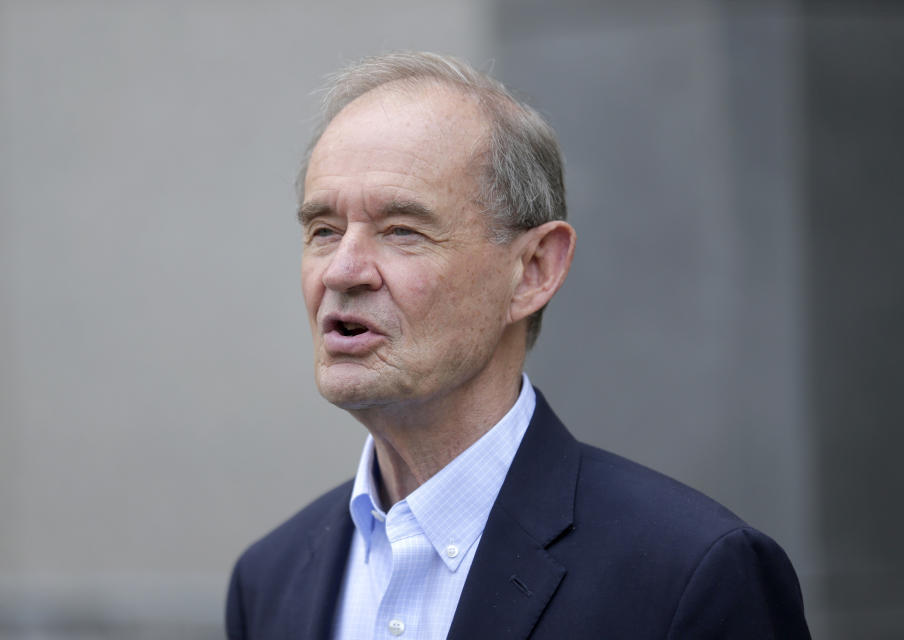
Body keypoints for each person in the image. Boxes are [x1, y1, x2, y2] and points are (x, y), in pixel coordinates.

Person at [226, 51, 811, 639]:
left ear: (532, 270)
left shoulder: (693, 575)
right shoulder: (268, 582)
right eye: (323, 231)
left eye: (402, 230)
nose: (343, 271)